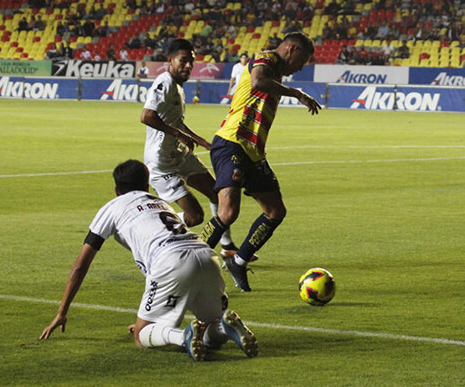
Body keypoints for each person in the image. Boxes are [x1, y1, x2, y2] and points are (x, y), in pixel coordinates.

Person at [39, 160, 258, 361]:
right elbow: (192, 217)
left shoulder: (112, 207)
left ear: (117, 190)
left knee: (142, 335)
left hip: (171, 260)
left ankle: (184, 336)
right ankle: (225, 328)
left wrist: (62, 312)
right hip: (206, 254)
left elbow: (80, 265)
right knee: (212, 329)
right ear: (146, 186)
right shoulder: (160, 203)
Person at [198, 32, 321, 292]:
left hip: (253, 152)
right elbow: (258, 80)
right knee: (228, 212)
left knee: (276, 211)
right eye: (302, 60)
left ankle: (239, 261)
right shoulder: (266, 59)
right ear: (291, 49)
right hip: (231, 141)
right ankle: (184, 259)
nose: (301, 67)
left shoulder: (276, 74)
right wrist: (296, 93)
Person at [140, 38, 240, 256]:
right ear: (170, 60)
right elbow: (147, 116)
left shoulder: (178, 87)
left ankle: (227, 246)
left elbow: (175, 122)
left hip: (178, 153)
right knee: (195, 217)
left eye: (191, 62)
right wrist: (179, 134)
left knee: (217, 194)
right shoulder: (164, 82)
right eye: (183, 61)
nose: (187, 66)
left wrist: (202, 141)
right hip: (161, 162)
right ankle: (155, 228)